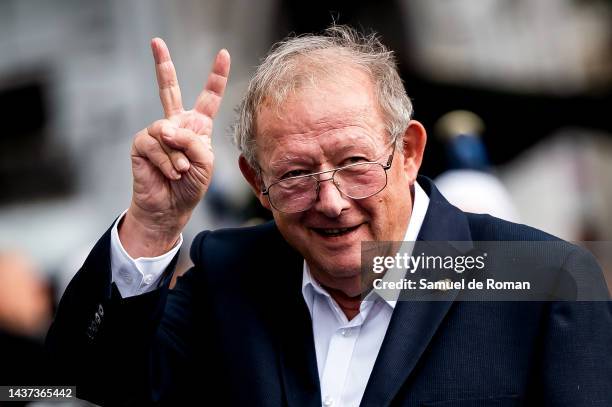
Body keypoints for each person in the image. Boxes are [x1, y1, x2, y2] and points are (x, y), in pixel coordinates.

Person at [46, 26, 612, 406]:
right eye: (295, 175)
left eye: (355, 163)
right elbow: (79, 388)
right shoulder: (230, 280)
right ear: (257, 186)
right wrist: (153, 224)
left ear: (409, 153)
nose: (332, 200)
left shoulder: (545, 284)